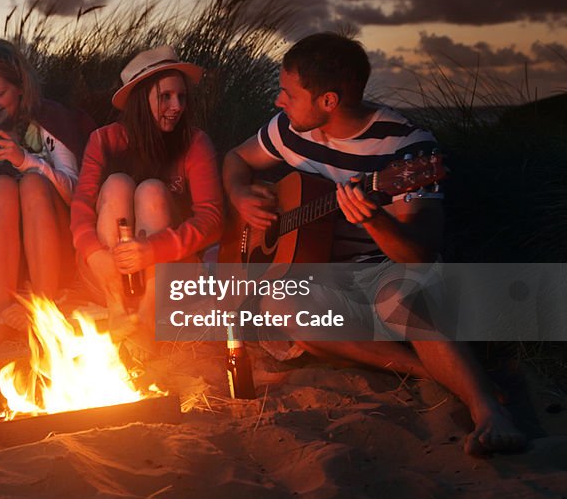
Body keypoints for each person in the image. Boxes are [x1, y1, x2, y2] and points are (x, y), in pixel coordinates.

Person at [221, 31, 525, 455]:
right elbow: (236, 159)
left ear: (328, 100)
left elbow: (419, 255)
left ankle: (487, 408)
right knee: (282, 304)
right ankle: (430, 371)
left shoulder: (406, 150)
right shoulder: (291, 130)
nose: (278, 102)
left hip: (383, 270)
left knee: (401, 297)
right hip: (324, 274)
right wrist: (240, 195)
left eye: (287, 93)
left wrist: (375, 219)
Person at [71, 45, 224, 347]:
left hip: (169, 274)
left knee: (152, 191)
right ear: (141, 100)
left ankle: (147, 315)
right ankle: (117, 309)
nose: (177, 106)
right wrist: (93, 252)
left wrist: (155, 249)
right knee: (116, 184)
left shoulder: (194, 142)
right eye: (165, 96)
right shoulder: (104, 140)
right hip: (108, 272)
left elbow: (213, 218)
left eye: (181, 96)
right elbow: (81, 207)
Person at [0, 39, 92, 343]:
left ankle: (44, 310)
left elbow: (76, 194)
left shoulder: (50, 120)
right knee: (3, 186)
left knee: (33, 181)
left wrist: (26, 160)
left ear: (20, 88)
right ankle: (3, 311)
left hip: (52, 245)